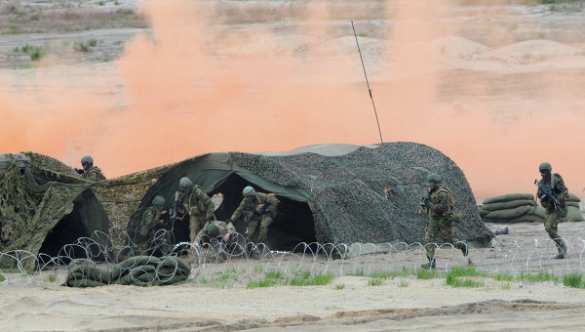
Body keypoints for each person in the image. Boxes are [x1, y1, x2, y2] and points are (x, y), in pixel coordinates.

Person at [420, 173, 469, 269]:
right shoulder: (431, 192)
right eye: (429, 182)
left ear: (436, 183)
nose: (429, 185)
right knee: (428, 240)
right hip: (433, 220)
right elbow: (428, 203)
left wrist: (429, 204)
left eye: (431, 183)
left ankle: (463, 245)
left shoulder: (443, 193)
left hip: (444, 220)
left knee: (449, 240)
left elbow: (442, 208)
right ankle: (431, 263)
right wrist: (424, 204)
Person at [536, 162, 569, 259]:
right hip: (549, 208)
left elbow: (565, 192)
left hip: (558, 208)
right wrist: (543, 196)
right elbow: (539, 195)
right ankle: (560, 250)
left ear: (549, 171)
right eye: (541, 171)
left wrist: (558, 199)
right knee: (548, 228)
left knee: (550, 228)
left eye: (545, 171)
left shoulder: (556, 180)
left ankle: (562, 247)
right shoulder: (541, 183)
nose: (543, 173)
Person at [172, 177, 216, 242]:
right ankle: (194, 249)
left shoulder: (197, 192)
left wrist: (209, 215)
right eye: (183, 189)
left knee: (208, 232)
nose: (183, 191)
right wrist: (176, 201)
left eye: (185, 189)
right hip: (194, 216)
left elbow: (210, 204)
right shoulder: (183, 194)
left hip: (204, 214)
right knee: (193, 234)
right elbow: (179, 206)